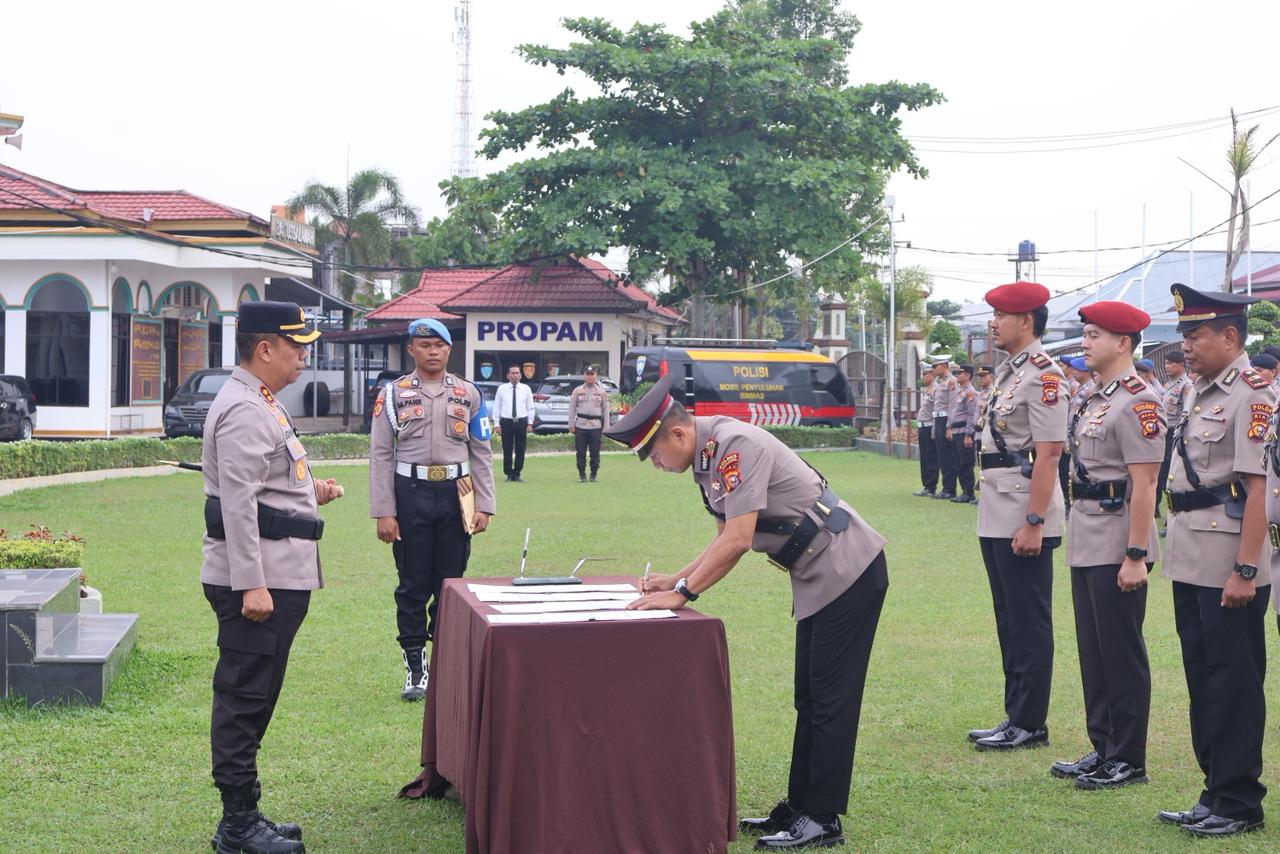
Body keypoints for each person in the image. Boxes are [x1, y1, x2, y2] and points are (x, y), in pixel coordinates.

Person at [608, 374, 888, 851]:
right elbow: (724, 534)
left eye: (653, 454)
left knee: (830, 699)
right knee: (810, 697)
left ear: (677, 433)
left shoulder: (734, 446)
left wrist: (683, 593)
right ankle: (800, 807)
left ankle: (822, 818)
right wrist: (676, 578)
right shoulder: (708, 455)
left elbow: (739, 540)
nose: (655, 464)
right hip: (820, 574)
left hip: (849, 570)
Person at [202, 301, 341, 854]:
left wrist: (310, 491)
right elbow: (237, 505)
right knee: (243, 699)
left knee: (258, 695)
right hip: (259, 580)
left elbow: (265, 484)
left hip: (278, 573)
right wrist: (250, 584)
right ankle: (238, 825)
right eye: (296, 346)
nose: (304, 356)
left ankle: (244, 813)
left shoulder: (261, 401)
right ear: (265, 348)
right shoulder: (244, 408)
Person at [1156, 283, 1272, 838]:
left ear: (1230, 336)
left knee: (1234, 681)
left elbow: (1258, 490)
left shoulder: (1252, 395)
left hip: (1230, 561)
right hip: (1192, 556)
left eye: (1195, 334)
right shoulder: (1196, 392)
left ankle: (1240, 800)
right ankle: (1214, 790)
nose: (1186, 345)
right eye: (1183, 335)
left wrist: (1246, 569)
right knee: (1203, 678)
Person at [1048, 302, 1162, 791]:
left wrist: (1135, 554)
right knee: (1093, 651)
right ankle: (1103, 745)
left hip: (1118, 539)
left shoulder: (1138, 400)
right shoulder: (1095, 397)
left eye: (1095, 335)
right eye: (1086, 333)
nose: (1086, 342)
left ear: (1123, 343)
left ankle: (1128, 757)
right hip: (1087, 532)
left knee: (1120, 651)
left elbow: (1146, 482)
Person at [369, 318, 496, 701]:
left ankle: (444, 663)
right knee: (412, 583)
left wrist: (485, 504)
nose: (433, 352)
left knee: (451, 584)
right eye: (424, 346)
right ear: (412, 349)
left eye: (439, 345)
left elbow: (482, 451)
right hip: (410, 492)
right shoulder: (393, 394)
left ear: (449, 350)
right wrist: (384, 511)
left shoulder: (468, 393)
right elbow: (380, 454)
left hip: (458, 492)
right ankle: (415, 667)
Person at [969, 281, 1066, 751]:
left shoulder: (1044, 375)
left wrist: (1035, 520)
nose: (994, 324)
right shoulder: (1012, 372)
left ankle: (1030, 722)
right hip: (997, 506)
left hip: (1024, 511)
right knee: (1008, 617)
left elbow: (1049, 455)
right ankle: (1015, 715)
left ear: (1026, 321)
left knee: (1028, 620)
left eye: (1001, 316)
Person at [1158, 350, 1192, 515]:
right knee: (1162, 472)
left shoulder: (1186, 385)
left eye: (1171, 363)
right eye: (1166, 363)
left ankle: (1173, 510)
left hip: (1174, 434)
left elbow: (1187, 413)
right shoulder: (1168, 385)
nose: (1167, 366)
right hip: (1164, 433)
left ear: (1181, 364)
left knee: (1171, 472)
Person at [568, 365, 611, 482]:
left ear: (596, 376)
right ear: (584, 376)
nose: (590, 376)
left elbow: (606, 410)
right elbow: (572, 408)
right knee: (580, 452)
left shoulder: (601, 392)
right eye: (588, 374)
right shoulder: (577, 391)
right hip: (581, 425)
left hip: (595, 426)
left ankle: (593, 475)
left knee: (595, 453)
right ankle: (582, 475)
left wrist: (606, 427)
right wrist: (571, 424)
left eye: (592, 374)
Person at [492, 365, 534, 482]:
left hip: (521, 421)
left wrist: (530, 423)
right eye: (513, 373)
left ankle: (517, 473)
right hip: (506, 422)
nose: (515, 375)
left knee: (521, 449)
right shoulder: (502, 389)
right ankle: (509, 473)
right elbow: (497, 406)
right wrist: (496, 424)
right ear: (508, 375)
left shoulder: (526, 389)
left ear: (520, 375)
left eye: (517, 373)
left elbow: (530, 407)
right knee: (507, 448)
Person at [947, 364, 979, 503]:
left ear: (967, 375)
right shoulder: (960, 392)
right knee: (958, 462)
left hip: (964, 432)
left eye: (960, 373)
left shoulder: (970, 392)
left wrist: (968, 434)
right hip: (956, 431)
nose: (957, 376)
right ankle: (964, 491)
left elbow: (972, 414)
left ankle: (969, 493)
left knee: (966, 463)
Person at [931, 356, 960, 500]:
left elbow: (953, 405)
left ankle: (950, 489)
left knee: (948, 456)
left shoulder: (952, 381)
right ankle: (945, 487)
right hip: (938, 420)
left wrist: (949, 426)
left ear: (944, 366)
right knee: (941, 456)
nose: (933, 369)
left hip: (946, 420)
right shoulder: (940, 382)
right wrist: (934, 428)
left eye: (935, 366)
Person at [914, 362, 939, 497]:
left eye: (926, 374)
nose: (923, 377)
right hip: (922, 427)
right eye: (923, 374)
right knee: (924, 458)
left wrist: (934, 429)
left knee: (931, 457)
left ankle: (931, 486)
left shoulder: (936, 389)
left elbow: (936, 410)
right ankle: (926, 485)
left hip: (930, 426)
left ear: (932, 374)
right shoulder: (927, 389)